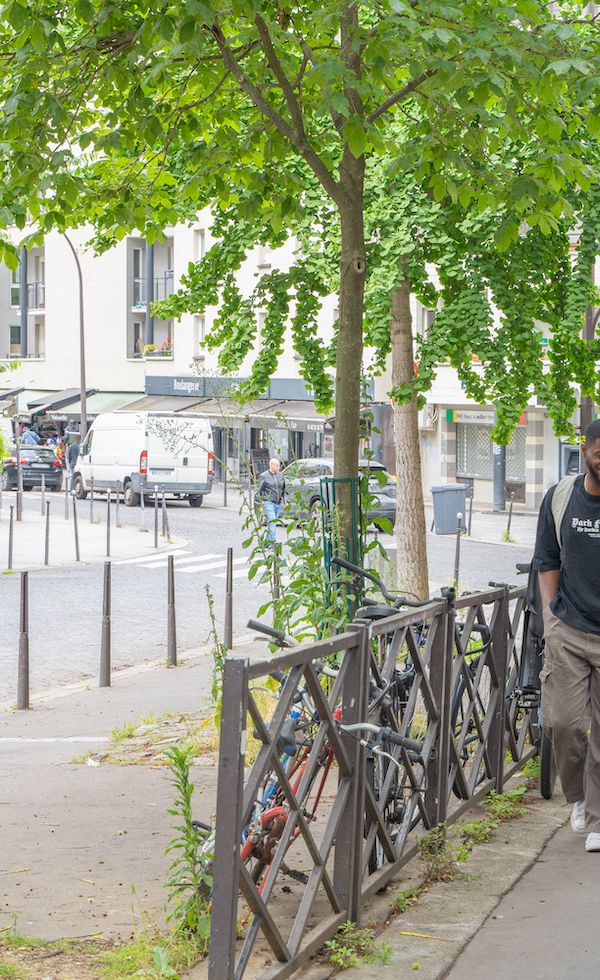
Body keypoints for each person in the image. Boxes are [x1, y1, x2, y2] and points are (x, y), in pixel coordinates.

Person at [535, 418, 600, 853]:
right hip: (569, 627)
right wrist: (551, 616)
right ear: (586, 451)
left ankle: (597, 817)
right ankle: (577, 795)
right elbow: (547, 559)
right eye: (599, 451)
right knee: (563, 722)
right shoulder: (561, 498)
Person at [257, 457, 286, 544]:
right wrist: (260, 504)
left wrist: (285, 501)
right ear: (271, 466)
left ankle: (267, 543)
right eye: (277, 466)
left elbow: (283, 489)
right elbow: (259, 491)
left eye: (279, 465)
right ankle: (273, 543)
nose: (278, 467)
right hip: (268, 502)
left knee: (272, 523)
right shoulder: (264, 476)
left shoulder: (281, 475)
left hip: (278, 502)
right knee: (272, 521)